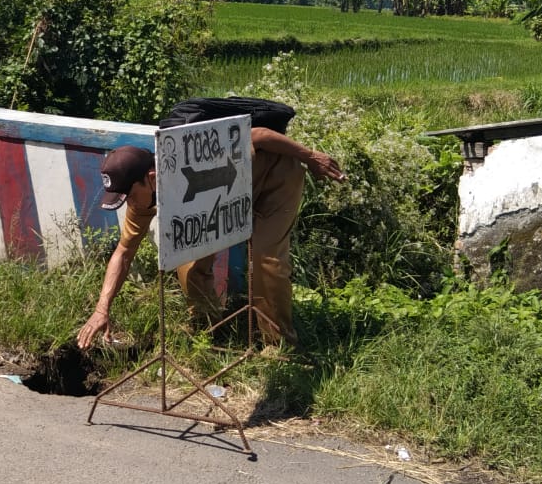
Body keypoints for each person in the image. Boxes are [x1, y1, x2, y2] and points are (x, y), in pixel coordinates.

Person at [76, 103, 346, 350]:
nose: (130, 204)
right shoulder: (142, 200)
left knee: (266, 260)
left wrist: (310, 156)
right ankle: (211, 328)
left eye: (131, 195)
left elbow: (260, 135)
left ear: (151, 178)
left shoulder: (189, 158)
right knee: (188, 263)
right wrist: (102, 309)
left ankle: (278, 345)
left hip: (273, 178)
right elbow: (123, 252)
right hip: (226, 198)